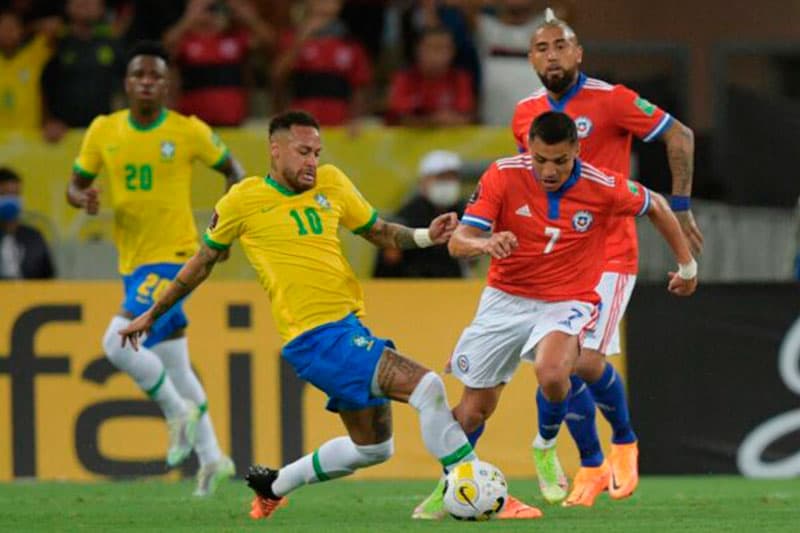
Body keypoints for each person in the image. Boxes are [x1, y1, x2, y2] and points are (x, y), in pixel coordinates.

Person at [119, 110, 482, 521]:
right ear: (275, 150)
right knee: (428, 387)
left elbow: (378, 231)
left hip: (347, 327)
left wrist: (425, 236)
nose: (312, 161)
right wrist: (153, 313)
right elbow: (201, 263)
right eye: (303, 152)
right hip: (316, 338)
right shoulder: (242, 200)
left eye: (317, 153)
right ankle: (474, 489)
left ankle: (273, 486)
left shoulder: (332, 182)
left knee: (374, 449)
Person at [412, 112, 698, 520]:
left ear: (577, 150)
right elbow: (459, 242)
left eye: (560, 161)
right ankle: (451, 485)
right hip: (505, 299)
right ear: (529, 148)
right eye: (540, 159)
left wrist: (687, 265)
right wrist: (486, 244)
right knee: (473, 411)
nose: (549, 171)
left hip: (568, 299)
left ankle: (545, 446)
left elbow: (657, 206)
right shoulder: (502, 175)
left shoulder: (602, 185)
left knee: (552, 373)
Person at [506, 10, 704, 506]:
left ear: (578, 53)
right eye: (541, 48)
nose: (552, 56)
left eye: (560, 46)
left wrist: (680, 206)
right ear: (530, 59)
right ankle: (592, 464)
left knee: (582, 361)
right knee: (557, 367)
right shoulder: (524, 114)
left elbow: (680, 135)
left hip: (610, 249)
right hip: (555, 257)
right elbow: (532, 182)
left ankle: (623, 443)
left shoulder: (612, 99)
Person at [66, 41, 245, 496]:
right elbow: (75, 184)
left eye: (155, 76)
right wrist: (82, 198)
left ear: (167, 86)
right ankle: (213, 458)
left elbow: (235, 171)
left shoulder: (188, 130)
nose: (147, 82)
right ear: (127, 84)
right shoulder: (103, 130)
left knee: (117, 342)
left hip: (176, 256)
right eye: (139, 75)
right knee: (175, 365)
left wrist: (223, 230)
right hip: (133, 262)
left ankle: (176, 413)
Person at [163, 0, 274, 126]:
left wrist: (248, 17)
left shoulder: (235, 39)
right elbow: (166, 46)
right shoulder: (186, 41)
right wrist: (190, 17)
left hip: (233, 122)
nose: (210, 16)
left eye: (214, 10)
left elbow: (268, 42)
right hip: (195, 124)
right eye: (207, 10)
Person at [271, 0, 371, 127]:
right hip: (302, 125)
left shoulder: (350, 44)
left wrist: (355, 119)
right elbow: (277, 76)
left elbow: (360, 88)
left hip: (339, 126)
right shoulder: (292, 38)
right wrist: (301, 39)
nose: (324, 4)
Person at [374, 149, 468, 278]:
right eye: (441, 178)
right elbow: (388, 265)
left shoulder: (464, 212)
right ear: (424, 181)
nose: (447, 184)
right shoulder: (406, 217)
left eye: (451, 178)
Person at [42, 0, 124, 142]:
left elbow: (126, 86)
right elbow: (41, 85)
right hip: (63, 136)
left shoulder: (115, 42)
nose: (85, 2)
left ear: (102, 7)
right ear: (67, 6)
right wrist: (49, 120)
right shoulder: (53, 42)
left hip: (106, 133)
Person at [386, 26, 474, 127]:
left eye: (444, 48)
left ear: (453, 52)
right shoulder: (404, 78)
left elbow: (465, 116)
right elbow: (399, 116)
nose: (438, 55)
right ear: (418, 50)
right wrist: (432, 120)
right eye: (432, 48)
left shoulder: (460, 79)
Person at [0, 9, 52, 132]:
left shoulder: (33, 55)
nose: (8, 32)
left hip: (30, 135)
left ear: (21, 30)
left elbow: (53, 28)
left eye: (12, 27)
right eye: (3, 27)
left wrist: (31, 27)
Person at [0, 167, 55, 279]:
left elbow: (49, 278)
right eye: (4, 194)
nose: (11, 200)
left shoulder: (34, 237)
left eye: (15, 194)